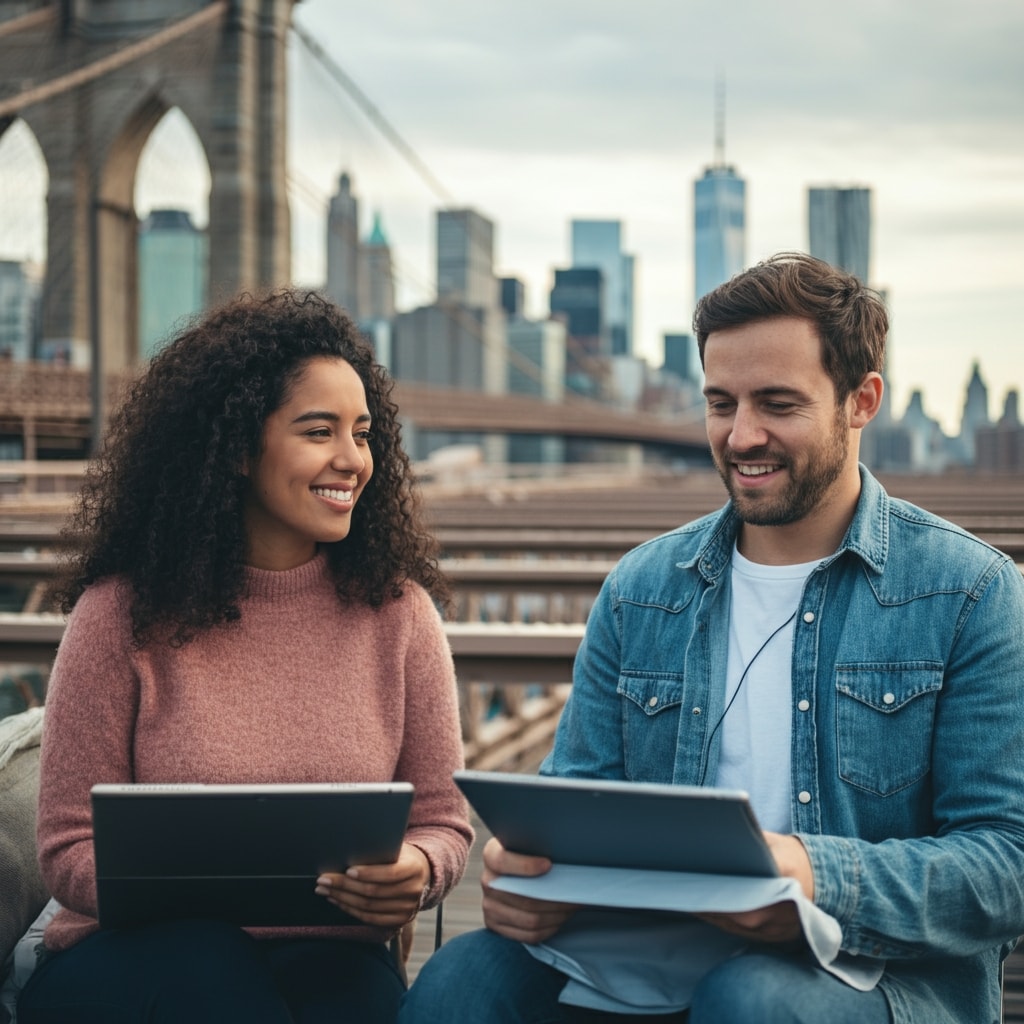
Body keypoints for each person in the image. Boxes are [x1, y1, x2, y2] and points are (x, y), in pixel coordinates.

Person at [400, 253, 1024, 1023]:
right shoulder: (640, 587)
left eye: (778, 403)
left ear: (861, 402)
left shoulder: (971, 593)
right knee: (460, 978)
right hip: (643, 955)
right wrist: (523, 870)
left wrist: (815, 876)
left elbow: (1007, 863)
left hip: (875, 976)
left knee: (749, 998)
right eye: (721, 403)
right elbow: (569, 804)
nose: (742, 436)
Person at [18, 289, 473, 1024]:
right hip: (132, 959)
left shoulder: (401, 616)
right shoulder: (118, 615)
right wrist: (197, 888)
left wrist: (417, 870)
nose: (352, 460)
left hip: (329, 953)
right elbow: (68, 848)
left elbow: (443, 822)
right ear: (234, 446)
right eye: (319, 431)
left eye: (363, 433)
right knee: (214, 971)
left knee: (355, 1000)